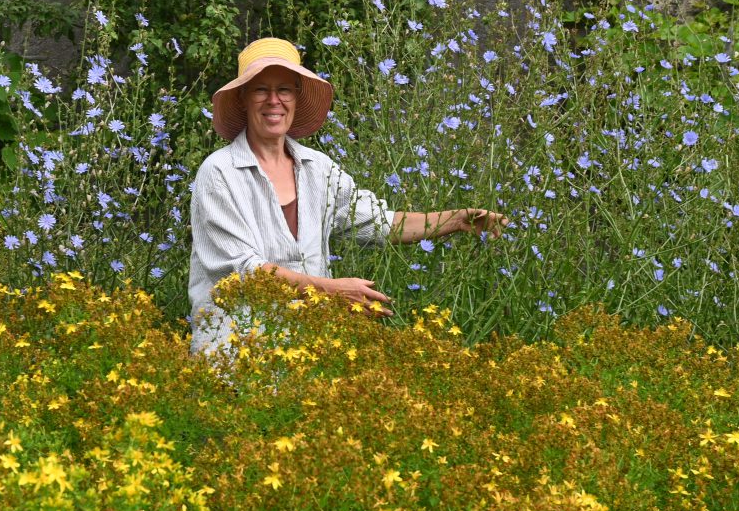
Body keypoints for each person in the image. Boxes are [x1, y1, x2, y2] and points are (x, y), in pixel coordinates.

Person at [188, 36, 505, 352]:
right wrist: (331, 290)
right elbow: (248, 273)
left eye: (284, 89)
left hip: (304, 353)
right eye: (261, 90)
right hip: (234, 355)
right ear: (243, 98)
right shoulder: (219, 174)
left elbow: (382, 223)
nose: (274, 100)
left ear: (296, 98)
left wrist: (457, 219)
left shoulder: (318, 169)